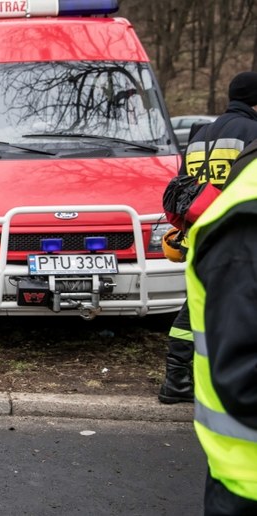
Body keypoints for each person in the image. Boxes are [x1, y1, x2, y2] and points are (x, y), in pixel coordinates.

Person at [159, 71, 257, 405]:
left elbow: (186, 185)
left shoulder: (201, 133)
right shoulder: (253, 133)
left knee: (197, 307)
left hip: (198, 233)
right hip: (235, 235)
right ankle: (188, 380)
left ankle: (177, 378)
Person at [185, 138, 257, 515]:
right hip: (247, 486)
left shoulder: (205, 135)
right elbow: (242, 375)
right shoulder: (246, 218)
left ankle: (173, 380)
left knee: (186, 325)